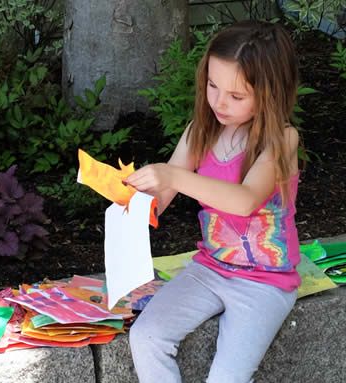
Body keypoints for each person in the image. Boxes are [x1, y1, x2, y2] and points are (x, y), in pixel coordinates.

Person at [125, 20, 302, 383]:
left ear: (270, 93)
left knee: (227, 378)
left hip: (265, 283)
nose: (219, 102)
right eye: (212, 85)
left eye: (236, 96)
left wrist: (173, 176)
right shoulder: (200, 130)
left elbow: (245, 200)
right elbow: (163, 195)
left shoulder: (282, 139)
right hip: (210, 269)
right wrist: (132, 202)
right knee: (146, 336)